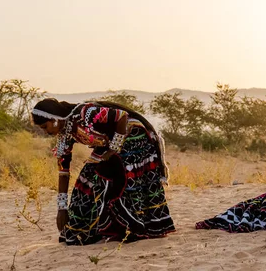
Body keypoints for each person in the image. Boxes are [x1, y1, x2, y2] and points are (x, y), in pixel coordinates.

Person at [31, 98, 175, 245]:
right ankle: (93, 230)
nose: (46, 131)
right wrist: (61, 208)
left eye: (45, 126)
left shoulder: (86, 113)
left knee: (107, 174)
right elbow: (63, 170)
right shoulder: (64, 135)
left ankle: (128, 228)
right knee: (85, 181)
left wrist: (113, 149)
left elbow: (121, 117)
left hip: (132, 135)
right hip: (110, 143)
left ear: (55, 119)